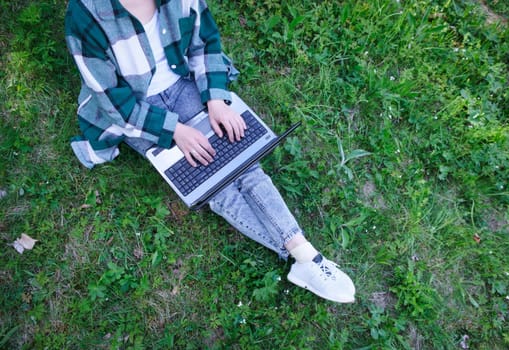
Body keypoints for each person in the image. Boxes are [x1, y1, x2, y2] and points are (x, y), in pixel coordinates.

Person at [65, 0, 356, 303]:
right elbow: (113, 101)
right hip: (139, 111)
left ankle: (305, 255)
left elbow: (205, 41)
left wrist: (215, 99)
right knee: (214, 185)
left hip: (183, 84)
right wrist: (175, 131)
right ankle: (303, 258)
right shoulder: (84, 15)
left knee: (244, 162)